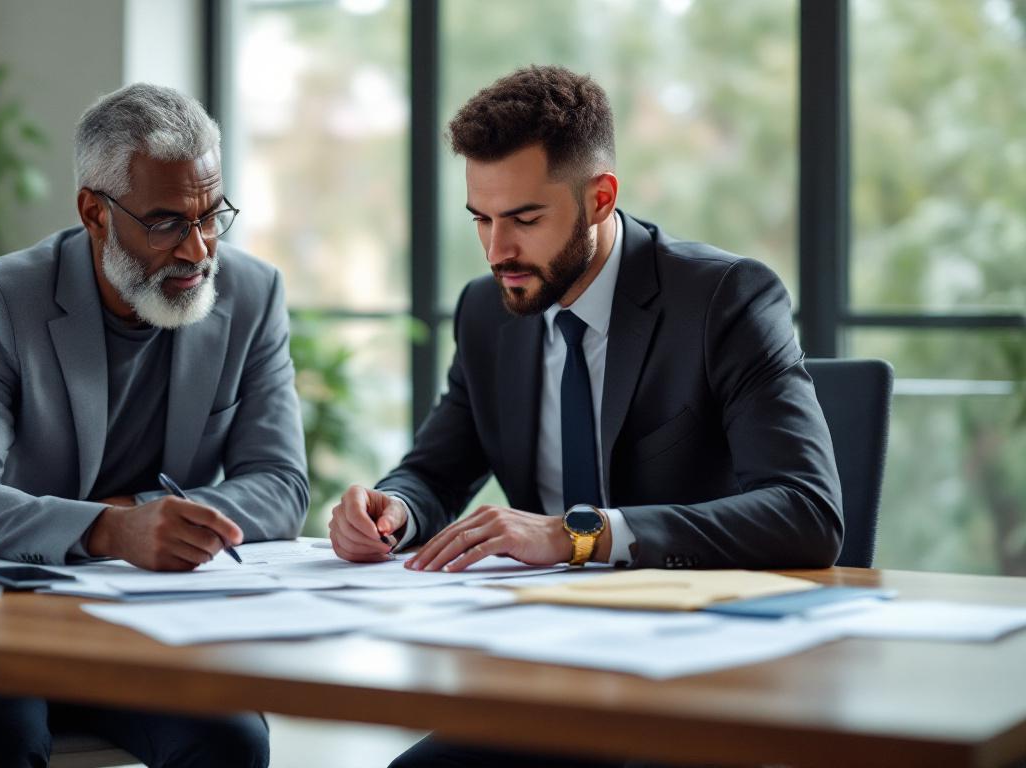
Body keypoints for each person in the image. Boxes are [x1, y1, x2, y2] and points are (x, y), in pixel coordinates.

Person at [328, 65, 843, 767]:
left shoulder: (724, 299)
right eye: (481, 218)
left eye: (525, 220)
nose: (496, 251)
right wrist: (393, 510)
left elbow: (806, 513)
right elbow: (434, 471)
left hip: (706, 672)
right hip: (548, 664)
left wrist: (579, 536)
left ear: (600, 198)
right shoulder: (489, 313)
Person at [0, 82, 306, 768]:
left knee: (232, 740)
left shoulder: (252, 294)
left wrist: (153, 519)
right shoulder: (2, 299)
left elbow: (280, 485)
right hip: (5, 620)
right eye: (167, 222)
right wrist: (110, 530)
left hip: (150, 626)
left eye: (212, 215)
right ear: (94, 211)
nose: (198, 248)